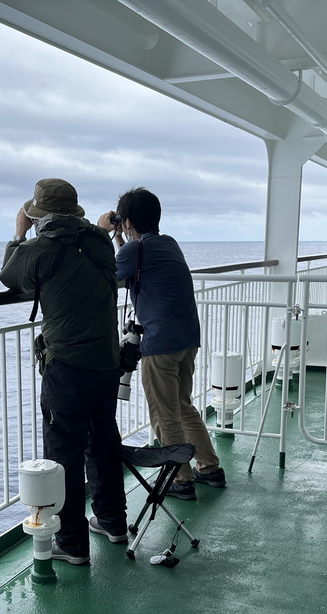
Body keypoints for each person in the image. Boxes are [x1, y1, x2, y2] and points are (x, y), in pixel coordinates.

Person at [0, 178, 128, 565]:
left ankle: (71, 542)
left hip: (67, 366)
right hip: (107, 360)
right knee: (103, 440)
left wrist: (17, 234)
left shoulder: (39, 248)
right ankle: (112, 521)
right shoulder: (100, 241)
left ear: (37, 215)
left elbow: (9, 276)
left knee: (64, 453)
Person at [98, 187, 224, 502]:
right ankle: (209, 467)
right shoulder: (168, 244)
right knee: (183, 406)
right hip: (187, 339)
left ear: (126, 222)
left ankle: (180, 479)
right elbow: (133, 261)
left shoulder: (133, 251)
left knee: (164, 412)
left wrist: (102, 233)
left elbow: (105, 275)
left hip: (160, 343)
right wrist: (121, 236)